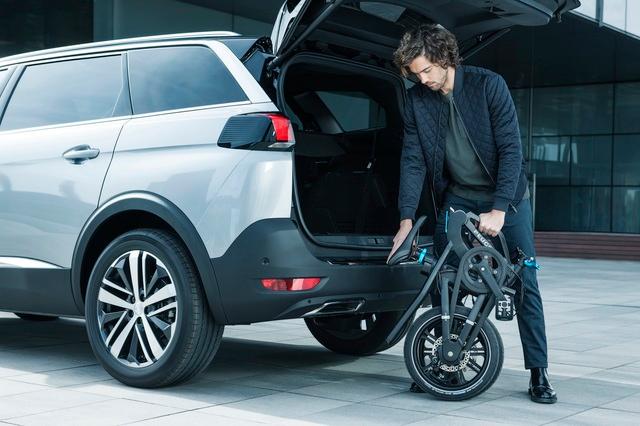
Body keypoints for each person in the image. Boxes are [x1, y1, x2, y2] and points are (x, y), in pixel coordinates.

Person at [387, 24, 556, 404]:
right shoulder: (418, 99)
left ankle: (539, 372)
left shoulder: (487, 85)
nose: (423, 79)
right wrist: (406, 219)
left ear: (445, 57)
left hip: (507, 200)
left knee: (525, 281)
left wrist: (499, 210)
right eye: (415, 73)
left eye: (427, 70)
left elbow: (511, 149)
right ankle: (439, 364)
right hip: (460, 198)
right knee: (445, 279)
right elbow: (412, 160)